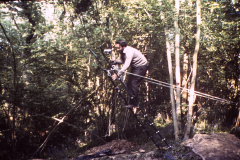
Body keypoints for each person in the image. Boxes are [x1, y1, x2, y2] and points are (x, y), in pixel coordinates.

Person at [111, 39, 148, 108]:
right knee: (129, 83)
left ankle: (134, 103)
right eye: (116, 48)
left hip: (141, 66)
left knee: (134, 83)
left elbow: (126, 65)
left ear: (123, 46)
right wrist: (115, 60)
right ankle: (131, 101)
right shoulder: (122, 51)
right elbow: (122, 61)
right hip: (135, 67)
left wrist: (117, 74)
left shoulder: (129, 52)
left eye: (119, 48)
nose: (118, 49)